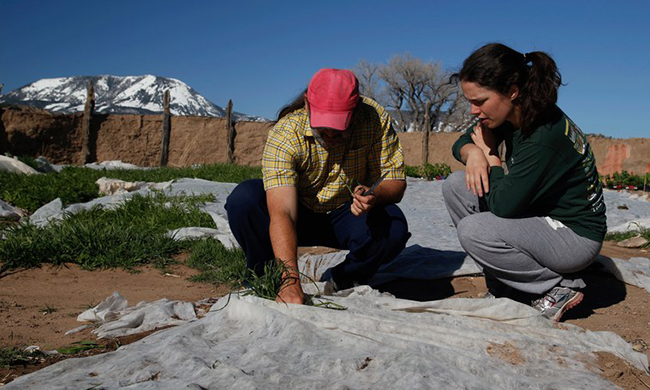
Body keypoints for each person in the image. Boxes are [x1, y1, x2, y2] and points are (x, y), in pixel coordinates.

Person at [442, 43, 606, 321]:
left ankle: (559, 286)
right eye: (469, 101)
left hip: (574, 236)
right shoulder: (510, 113)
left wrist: (491, 156)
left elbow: (503, 207)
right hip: (540, 217)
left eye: (479, 101)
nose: (472, 110)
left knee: (475, 230)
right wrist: (473, 153)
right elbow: (463, 141)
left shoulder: (543, 135)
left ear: (512, 91)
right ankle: (506, 283)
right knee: (456, 185)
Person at [225, 68, 410, 304]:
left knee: (393, 225)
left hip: (348, 214)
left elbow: (396, 181)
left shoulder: (374, 118)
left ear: (356, 111)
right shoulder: (286, 133)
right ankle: (265, 274)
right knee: (245, 200)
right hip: (298, 213)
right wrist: (290, 281)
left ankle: (345, 278)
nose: (330, 135)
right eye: (324, 128)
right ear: (307, 105)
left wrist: (374, 195)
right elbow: (282, 210)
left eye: (339, 129)